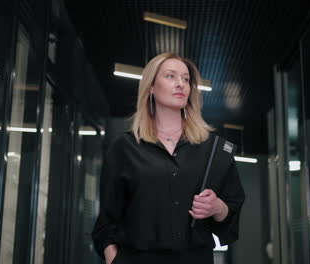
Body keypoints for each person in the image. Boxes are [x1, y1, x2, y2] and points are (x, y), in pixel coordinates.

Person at [91, 52, 245, 264]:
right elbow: (106, 222)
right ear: (151, 87)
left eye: (186, 79)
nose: (180, 84)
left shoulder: (213, 148)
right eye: (171, 76)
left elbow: (232, 209)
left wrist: (217, 207)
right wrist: (112, 258)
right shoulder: (124, 148)